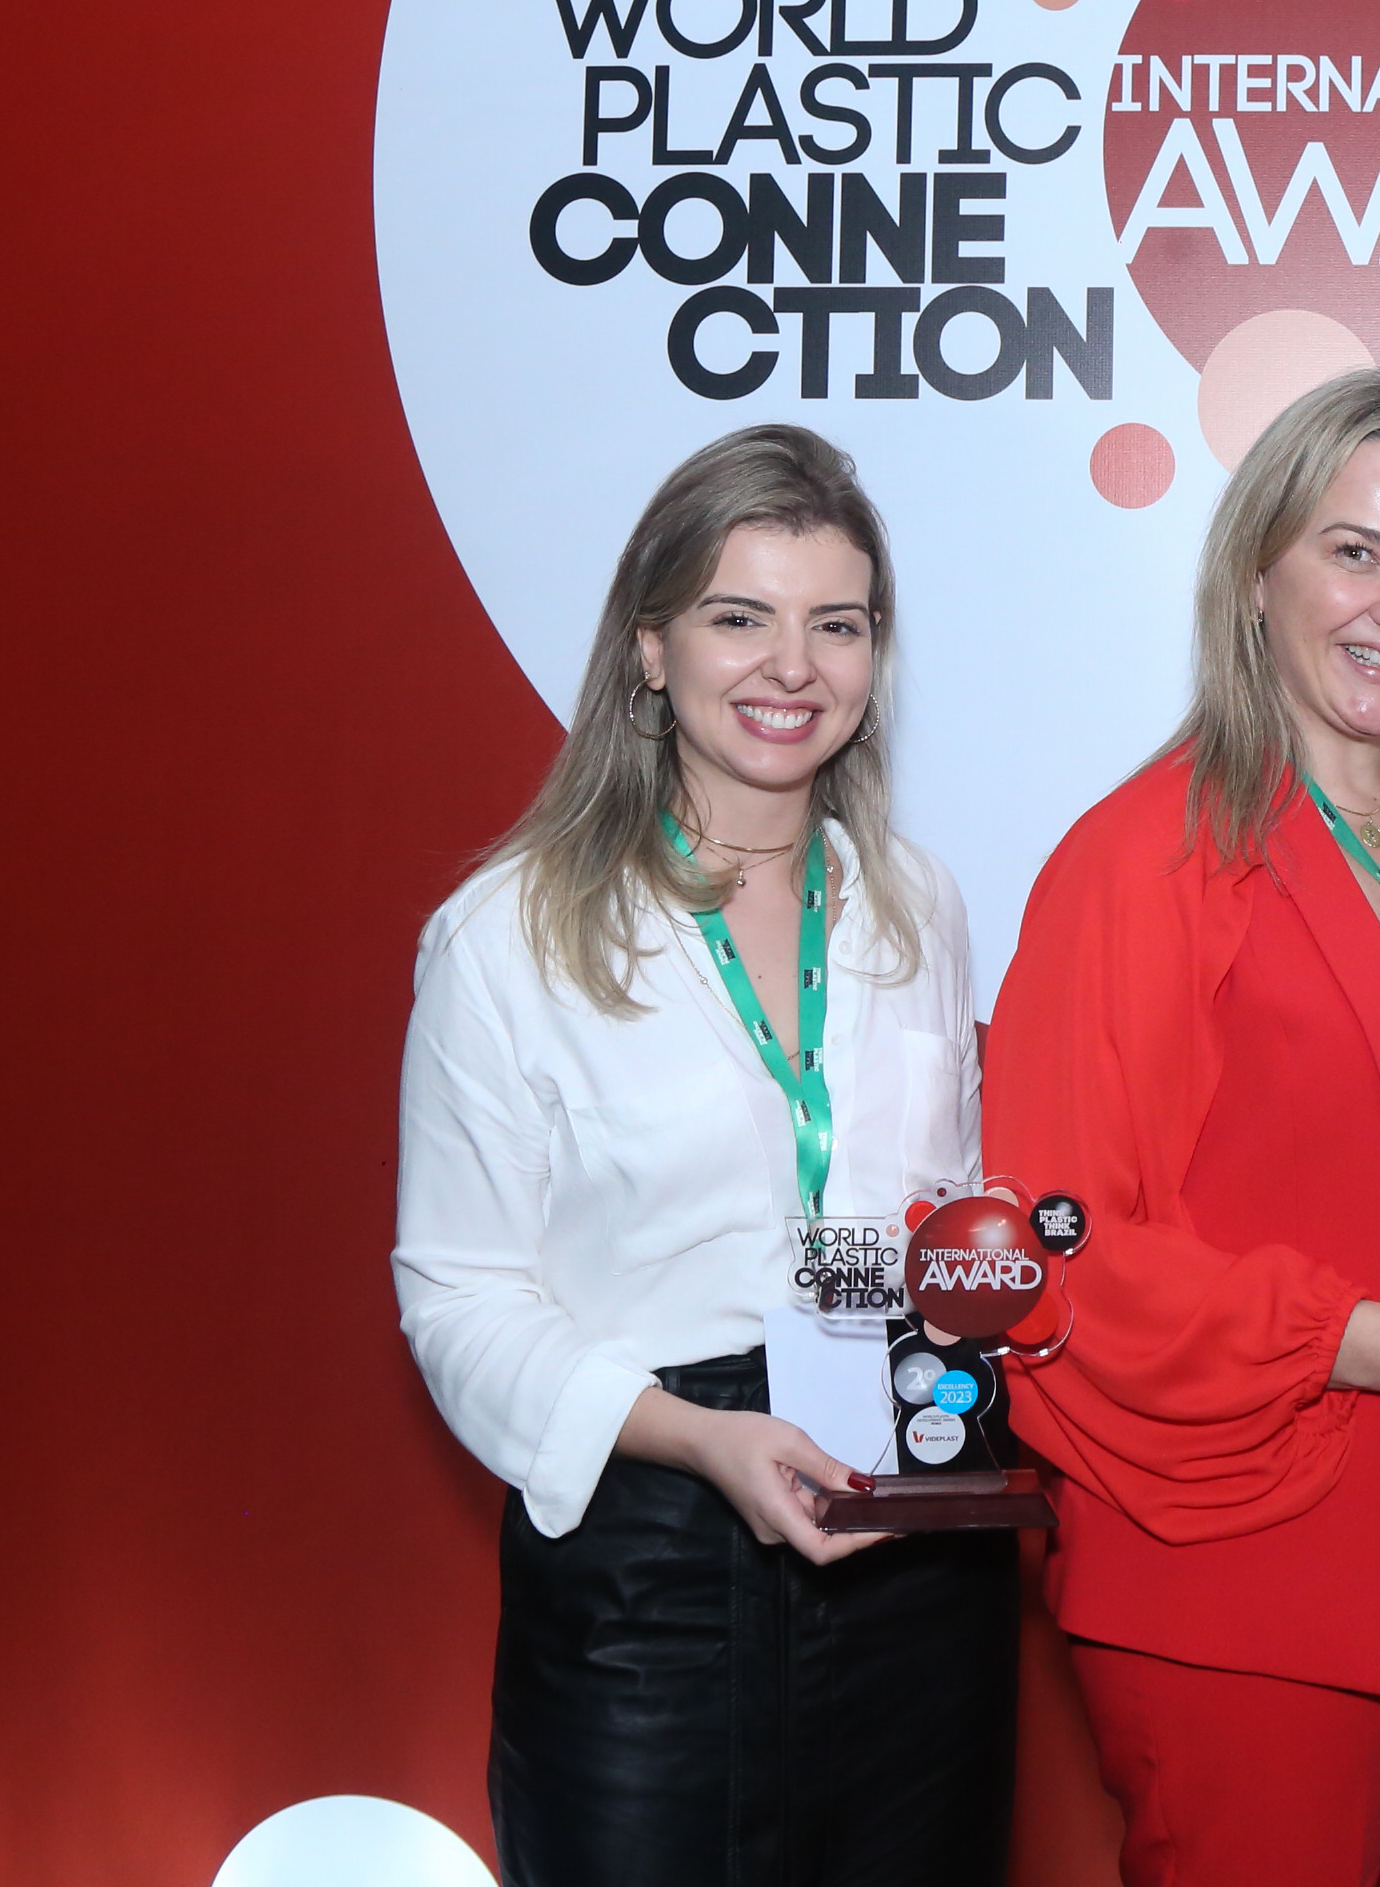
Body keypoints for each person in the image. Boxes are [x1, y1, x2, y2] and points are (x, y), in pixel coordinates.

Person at [984, 370, 1380, 1887]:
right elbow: (1051, 1255)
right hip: (1253, 1527)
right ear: (1256, 571)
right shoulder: (1145, 860)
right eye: (1356, 552)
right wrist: (1368, 1339)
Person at [393, 425, 1013, 1887]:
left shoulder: (917, 905)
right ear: (651, 649)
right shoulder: (508, 936)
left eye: (836, 625)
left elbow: (940, 1221)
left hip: (911, 1533)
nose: (792, 667)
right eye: (741, 618)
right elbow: (457, 1296)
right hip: (650, 1553)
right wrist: (696, 1438)